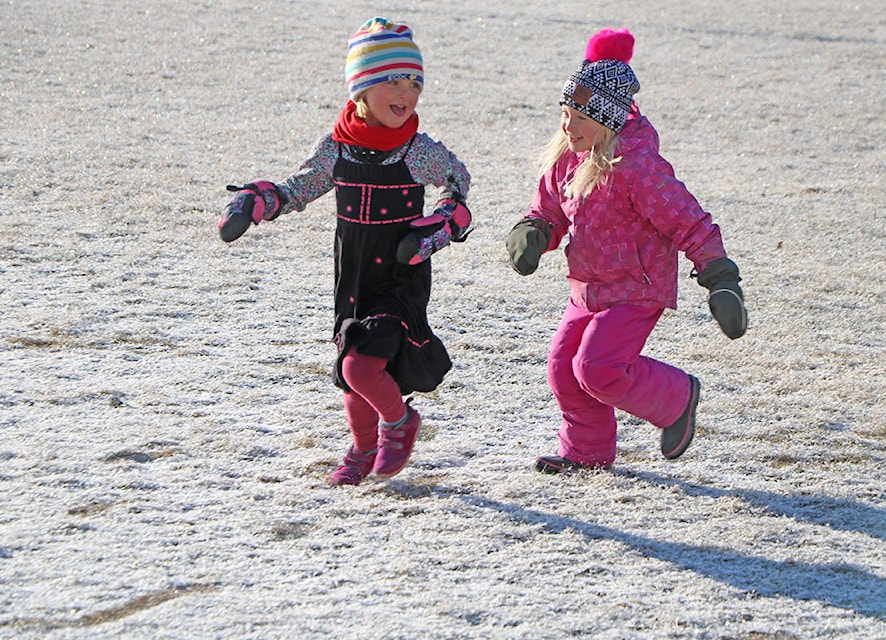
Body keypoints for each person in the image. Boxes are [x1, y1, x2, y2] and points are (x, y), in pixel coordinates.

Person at [218, 17, 472, 485]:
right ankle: (362, 446)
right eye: (393, 80)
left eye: (415, 81)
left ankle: (399, 423)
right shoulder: (338, 149)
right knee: (351, 372)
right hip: (354, 274)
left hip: (400, 271)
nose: (407, 92)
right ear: (362, 88)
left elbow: (458, 183)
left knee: (361, 364)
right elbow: (302, 186)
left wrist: (442, 222)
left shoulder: (417, 151)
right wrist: (259, 201)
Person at [505, 28, 747, 474]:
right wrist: (534, 231)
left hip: (637, 288)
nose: (568, 126)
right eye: (565, 113)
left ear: (609, 119)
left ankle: (677, 399)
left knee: (597, 368)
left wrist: (720, 278)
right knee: (563, 368)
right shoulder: (568, 158)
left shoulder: (638, 168)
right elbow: (550, 208)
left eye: (580, 118)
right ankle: (588, 453)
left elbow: (689, 220)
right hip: (588, 287)